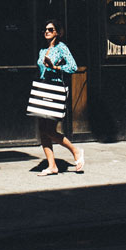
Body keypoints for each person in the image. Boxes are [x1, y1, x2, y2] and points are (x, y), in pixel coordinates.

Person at [35, 20, 84, 175]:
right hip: (43, 88)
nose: (47, 32)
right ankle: (52, 166)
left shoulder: (61, 48)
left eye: (50, 29)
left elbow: (73, 67)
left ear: (57, 32)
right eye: (45, 29)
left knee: (48, 129)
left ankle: (76, 151)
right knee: (42, 129)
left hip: (56, 89)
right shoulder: (43, 49)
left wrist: (55, 67)